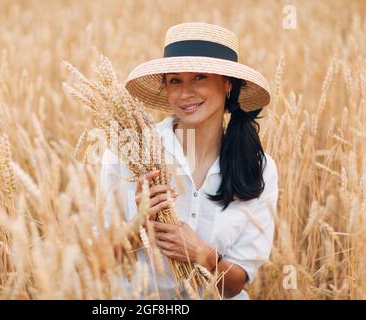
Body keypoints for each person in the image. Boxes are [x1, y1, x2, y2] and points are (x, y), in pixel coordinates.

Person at [100, 22, 279, 299]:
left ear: (227, 84)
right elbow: (99, 260)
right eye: (175, 80)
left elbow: (236, 285)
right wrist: (139, 225)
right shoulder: (128, 152)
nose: (185, 93)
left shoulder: (260, 168)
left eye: (199, 77)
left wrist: (203, 255)